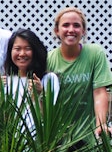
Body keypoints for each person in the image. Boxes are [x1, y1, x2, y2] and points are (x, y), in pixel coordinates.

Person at [46, 7, 112, 138]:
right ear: (57, 31)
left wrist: (101, 125)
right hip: (60, 137)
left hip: (90, 134)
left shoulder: (95, 53)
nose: (71, 30)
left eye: (76, 25)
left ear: (83, 31)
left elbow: (99, 92)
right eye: (65, 25)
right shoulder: (49, 59)